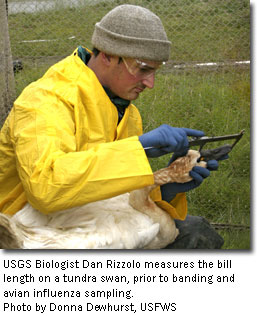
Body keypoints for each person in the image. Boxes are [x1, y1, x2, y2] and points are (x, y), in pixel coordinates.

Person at [0, 4, 224, 248]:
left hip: (82, 220)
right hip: (25, 231)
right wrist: (136, 148)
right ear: (107, 55)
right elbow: (46, 187)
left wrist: (166, 187)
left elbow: (114, 191)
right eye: (143, 69)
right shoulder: (46, 99)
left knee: (197, 233)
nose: (150, 83)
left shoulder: (124, 109)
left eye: (155, 71)